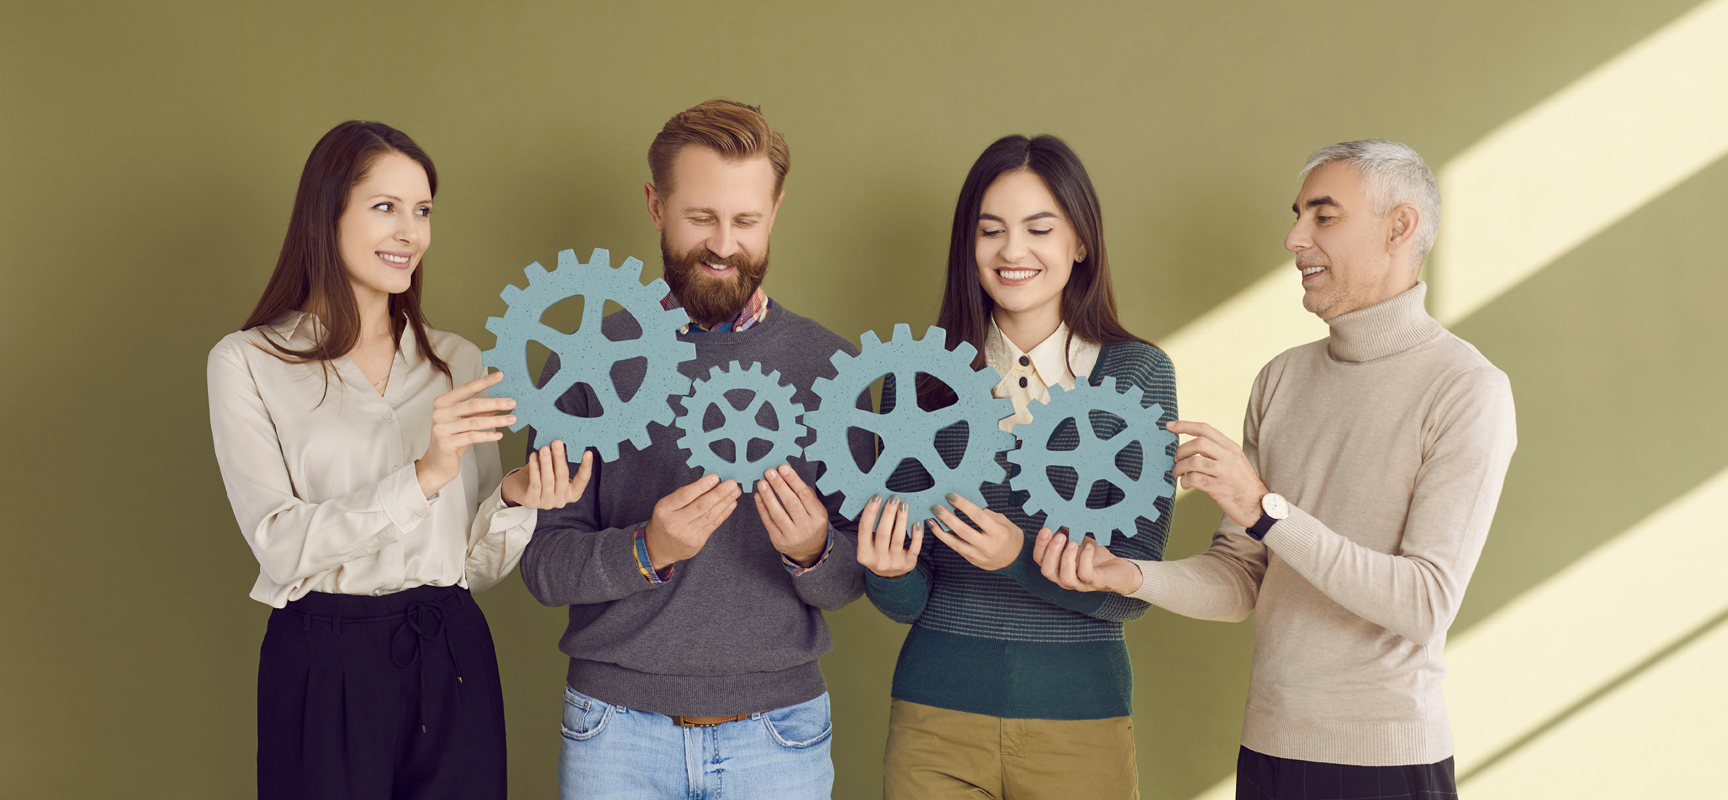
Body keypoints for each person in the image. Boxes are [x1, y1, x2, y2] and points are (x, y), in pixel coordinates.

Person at [1033, 139, 1518, 800]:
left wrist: (1264, 508)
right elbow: (1243, 578)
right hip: (1269, 756)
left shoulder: (1466, 389)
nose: (1294, 238)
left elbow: (1424, 604)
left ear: (1398, 227)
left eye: (1323, 216)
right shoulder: (1282, 380)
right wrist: (1129, 576)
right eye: (1297, 215)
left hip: (1385, 767)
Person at [207, 120, 592, 800]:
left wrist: (513, 498)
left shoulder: (459, 362)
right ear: (326, 215)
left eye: (422, 211)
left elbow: (470, 568)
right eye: (385, 207)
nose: (410, 233)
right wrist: (423, 477)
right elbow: (279, 545)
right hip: (323, 662)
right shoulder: (247, 363)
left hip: (452, 653)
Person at [518, 99, 872, 800]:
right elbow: (541, 564)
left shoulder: (833, 368)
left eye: (745, 221)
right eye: (700, 218)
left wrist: (813, 551)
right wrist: (646, 549)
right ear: (655, 206)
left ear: (774, 210)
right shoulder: (586, 361)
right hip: (614, 733)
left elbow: (855, 580)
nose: (722, 244)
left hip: (780, 734)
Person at [860, 134, 1177, 800]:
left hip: (1080, 723)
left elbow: (1134, 586)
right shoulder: (918, 386)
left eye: (1039, 228)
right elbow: (910, 596)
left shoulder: (1137, 376)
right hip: (934, 723)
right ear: (967, 246)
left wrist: (1017, 554)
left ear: (1080, 242)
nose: (1012, 251)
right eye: (991, 231)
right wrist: (886, 573)